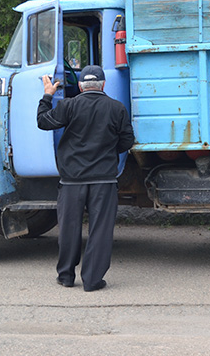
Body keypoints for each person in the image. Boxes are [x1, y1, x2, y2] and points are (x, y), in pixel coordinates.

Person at [37, 65, 135, 292]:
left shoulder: (68, 105)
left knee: (69, 228)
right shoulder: (116, 108)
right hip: (104, 180)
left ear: (80, 86)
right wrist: (110, 152)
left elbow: (43, 122)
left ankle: (66, 276)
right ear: (103, 85)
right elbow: (127, 141)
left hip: (72, 180)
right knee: (100, 229)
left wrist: (47, 95)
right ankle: (92, 280)